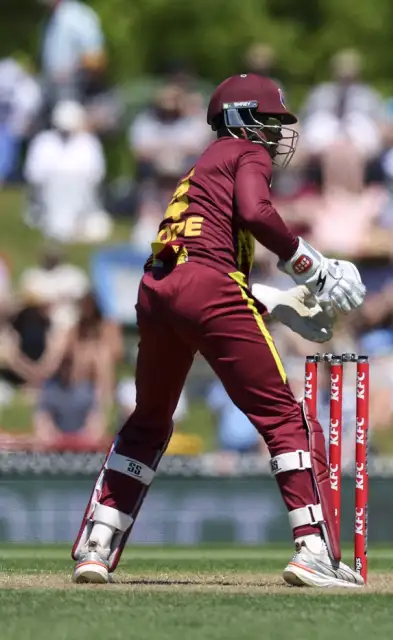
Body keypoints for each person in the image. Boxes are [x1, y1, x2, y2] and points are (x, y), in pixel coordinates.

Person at [71, 73, 367, 588]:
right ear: (241, 118)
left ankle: (97, 544)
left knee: (148, 422)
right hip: (207, 288)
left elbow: (192, 270)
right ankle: (313, 549)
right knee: (284, 419)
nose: (276, 135)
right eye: (270, 121)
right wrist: (310, 267)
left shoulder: (200, 170)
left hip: (158, 288)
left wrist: (270, 298)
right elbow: (254, 215)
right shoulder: (241, 151)